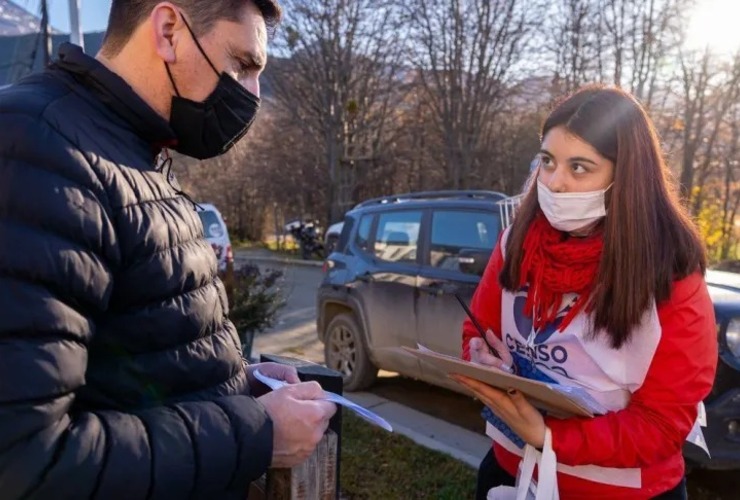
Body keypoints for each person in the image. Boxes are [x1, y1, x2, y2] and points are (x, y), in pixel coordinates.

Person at [0, 1, 337, 498]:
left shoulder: (131, 150)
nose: (254, 93)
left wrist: (237, 381)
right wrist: (255, 433)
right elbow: (27, 460)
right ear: (170, 30)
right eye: (243, 64)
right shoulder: (37, 146)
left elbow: (128, 354)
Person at [455, 85, 718, 499]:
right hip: (511, 471)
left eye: (579, 167)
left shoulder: (671, 274)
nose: (555, 183)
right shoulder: (515, 242)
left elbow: (664, 425)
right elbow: (476, 331)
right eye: (547, 161)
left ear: (624, 177)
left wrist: (548, 435)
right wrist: (480, 359)